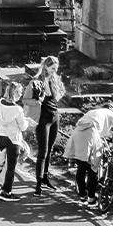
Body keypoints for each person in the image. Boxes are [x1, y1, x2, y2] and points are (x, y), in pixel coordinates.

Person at [63, 101, 113, 205]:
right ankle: (91, 198)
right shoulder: (110, 114)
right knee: (93, 168)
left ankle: (82, 195)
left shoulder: (93, 112)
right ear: (112, 110)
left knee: (81, 167)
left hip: (78, 132)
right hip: (91, 134)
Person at [30, 55, 65, 193]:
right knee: (42, 151)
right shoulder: (37, 80)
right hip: (43, 119)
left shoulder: (55, 79)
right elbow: (33, 100)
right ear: (45, 66)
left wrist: (58, 91)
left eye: (56, 69)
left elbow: (60, 93)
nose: (54, 71)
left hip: (54, 116)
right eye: (52, 68)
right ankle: (38, 183)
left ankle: (45, 177)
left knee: (49, 149)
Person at [0, 81, 30, 201]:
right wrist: (28, 121)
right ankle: (6, 192)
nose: (21, 95)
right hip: (13, 139)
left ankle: (1, 177)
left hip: (1, 136)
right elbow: (23, 127)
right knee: (11, 167)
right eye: (20, 93)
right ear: (16, 94)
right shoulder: (18, 109)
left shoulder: (1, 102)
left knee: (6, 162)